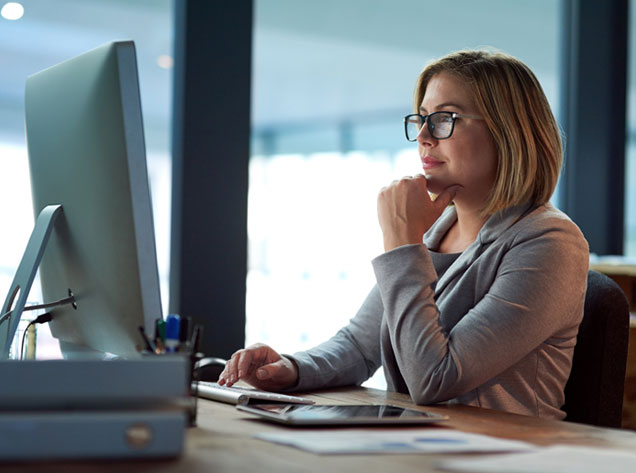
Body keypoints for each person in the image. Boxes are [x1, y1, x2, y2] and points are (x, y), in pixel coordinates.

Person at [218, 50, 589, 420]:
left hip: (504, 454)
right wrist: (291, 369)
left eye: (446, 119)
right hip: (419, 445)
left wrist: (401, 244)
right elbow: (361, 347)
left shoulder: (550, 243)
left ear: (507, 131)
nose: (424, 137)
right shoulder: (436, 232)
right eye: (422, 119)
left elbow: (435, 379)